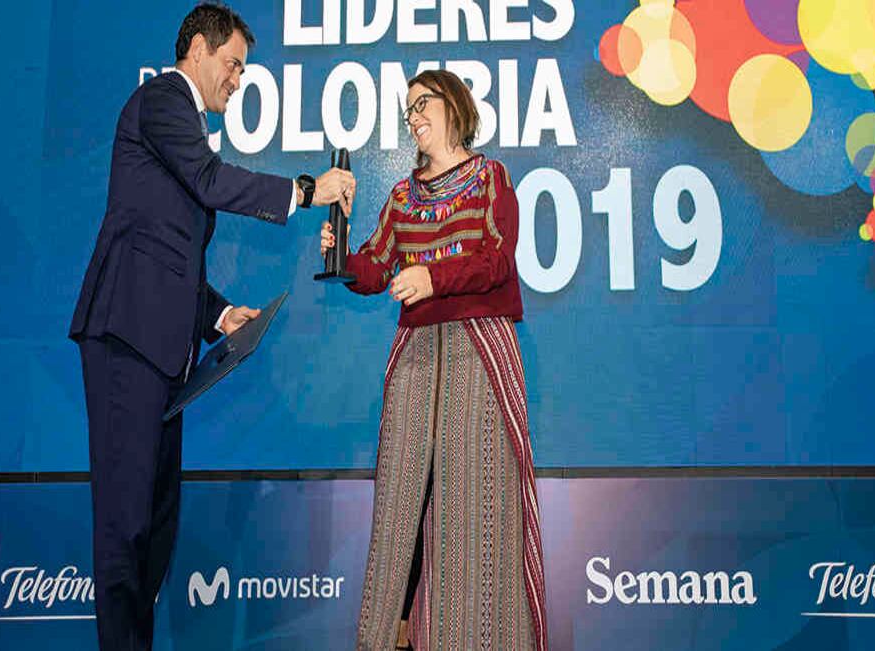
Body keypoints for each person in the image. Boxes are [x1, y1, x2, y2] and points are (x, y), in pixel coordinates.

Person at [68, 4, 356, 649]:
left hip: (163, 353)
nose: (238, 80)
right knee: (126, 523)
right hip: (126, 340)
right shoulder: (163, 98)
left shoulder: (178, 127)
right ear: (196, 48)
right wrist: (306, 191)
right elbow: (208, 181)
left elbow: (167, 253)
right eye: (232, 65)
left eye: (244, 70)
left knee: (155, 525)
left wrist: (219, 314)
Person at [321, 69, 547, 651]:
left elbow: (498, 260)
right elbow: (373, 267)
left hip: (480, 351)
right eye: (408, 111)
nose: (413, 117)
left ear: (454, 105)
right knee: (401, 504)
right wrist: (343, 256)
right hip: (418, 354)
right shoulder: (401, 194)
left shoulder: (491, 177)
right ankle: (387, 639)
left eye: (422, 104)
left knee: (480, 506)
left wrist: (433, 276)